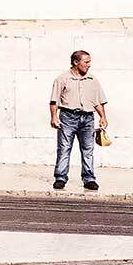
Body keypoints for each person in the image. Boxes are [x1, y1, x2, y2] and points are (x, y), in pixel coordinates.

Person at [49, 50, 108, 191]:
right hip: (68, 117)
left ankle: (89, 179)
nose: (89, 65)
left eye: (89, 62)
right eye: (86, 62)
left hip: (87, 118)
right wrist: (54, 117)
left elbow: (98, 101)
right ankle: (60, 178)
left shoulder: (92, 80)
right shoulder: (62, 79)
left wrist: (103, 117)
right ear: (76, 62)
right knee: (64, 148)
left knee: (88, 149)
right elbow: (54, 101)